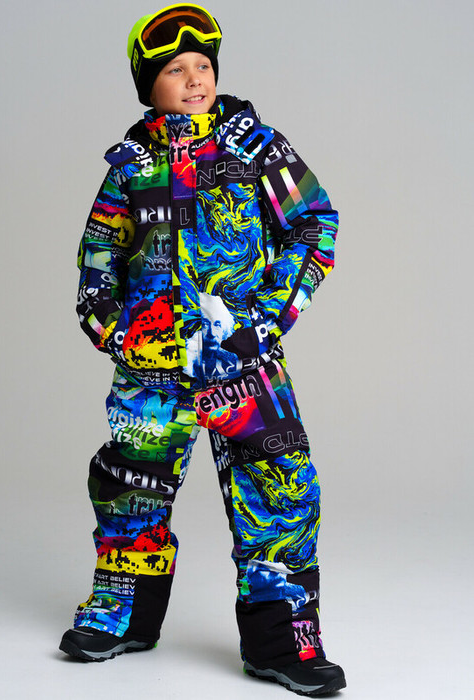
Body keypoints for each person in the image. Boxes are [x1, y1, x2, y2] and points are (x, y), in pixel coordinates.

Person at [60, 3, 346, 696]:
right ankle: (124, 614)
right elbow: (99, 254)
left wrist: (266, 319)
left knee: (279, 488)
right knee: (130, 487)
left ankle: (284, 638)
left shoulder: (257, 148)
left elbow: (314, 222)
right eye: (174, 70)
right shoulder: (129, 167)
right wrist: (111, 328)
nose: (194, 79)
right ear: (147, 86)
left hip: (242, 363)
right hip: (151, 371)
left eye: (203, 66)